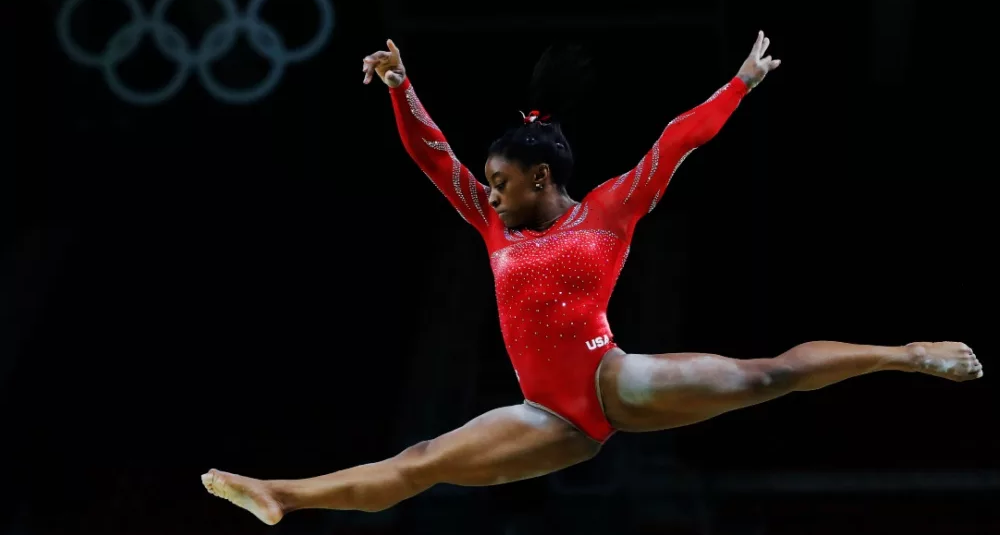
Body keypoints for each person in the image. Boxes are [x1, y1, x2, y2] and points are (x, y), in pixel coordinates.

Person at [201, 31, 982, 525]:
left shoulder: (607, 211)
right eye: (489, 185)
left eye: (502, 182)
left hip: (610, 382)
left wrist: (739, 83)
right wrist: (404, 87)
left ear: (542, 177)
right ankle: (282, 492)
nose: (490, 194)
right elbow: (433, 157)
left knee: (762, 375)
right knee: (422, 461)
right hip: (548, 418)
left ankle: (906, 350)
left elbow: (675, 143)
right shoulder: (490, 221)